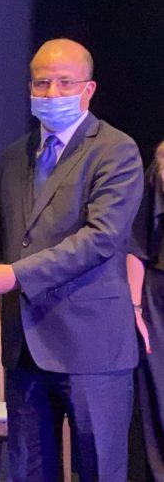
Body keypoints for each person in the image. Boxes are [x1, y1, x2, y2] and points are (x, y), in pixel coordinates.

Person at [0, 38, 143, 481]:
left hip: (92, 348)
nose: (51, 93)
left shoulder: (116, 150)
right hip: (25, 348)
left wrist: (16, 274)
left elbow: (101, 238)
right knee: (26, 473)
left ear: (89, 89)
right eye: (41, 83)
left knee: (100, 470)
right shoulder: (15, 155)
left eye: (65, 83)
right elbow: (5, 232)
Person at [127, 142, 164, 481]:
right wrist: (135, 307)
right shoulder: (161, 168)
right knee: (158, 402)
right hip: (158, 301)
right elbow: (137, 244)